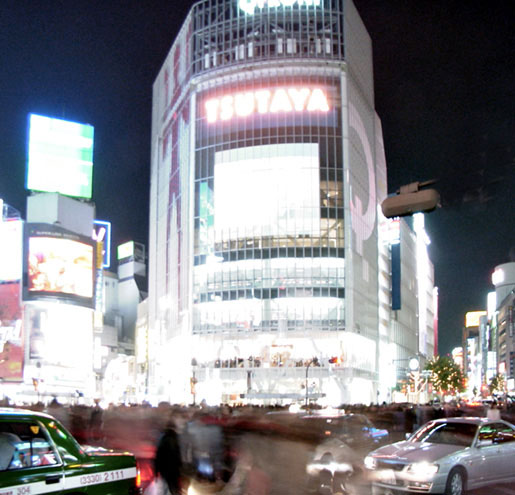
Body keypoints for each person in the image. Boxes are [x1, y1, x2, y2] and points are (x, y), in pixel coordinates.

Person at [154, 418, 183, 495]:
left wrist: (156, 470)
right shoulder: (177, 438)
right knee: (175, 487)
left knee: (165, 487)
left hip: (165, 468)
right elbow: (180, 454)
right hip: (175, 468)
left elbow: (158, 455)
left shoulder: (162, 438)